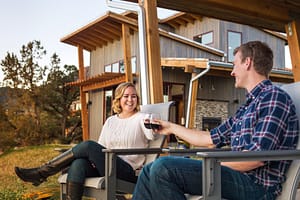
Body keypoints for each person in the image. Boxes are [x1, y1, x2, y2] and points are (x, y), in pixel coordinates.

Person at [132, 41, 299, 200]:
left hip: (256, 186)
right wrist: (170, 127)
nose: (232, 72)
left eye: (234, 64)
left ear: (247, 62)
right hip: (237, 177)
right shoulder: (247, 107)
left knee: (163, 168)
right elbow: (209, 139)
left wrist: (211, 165)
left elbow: (256, 158)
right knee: (148, 171)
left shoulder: (273, 98)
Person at [15, 82, 155, 200]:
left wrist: (151, 123)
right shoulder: (111, 121)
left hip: (127, 171)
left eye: (134, 96)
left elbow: (151, 134)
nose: (130, 100)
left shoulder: (142, 117)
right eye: (126, 96)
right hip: (107, 166)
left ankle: (42, 173)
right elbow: (102, 147)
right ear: (118, 99)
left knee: (88, 146)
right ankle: (41, 174)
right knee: (78, 164)